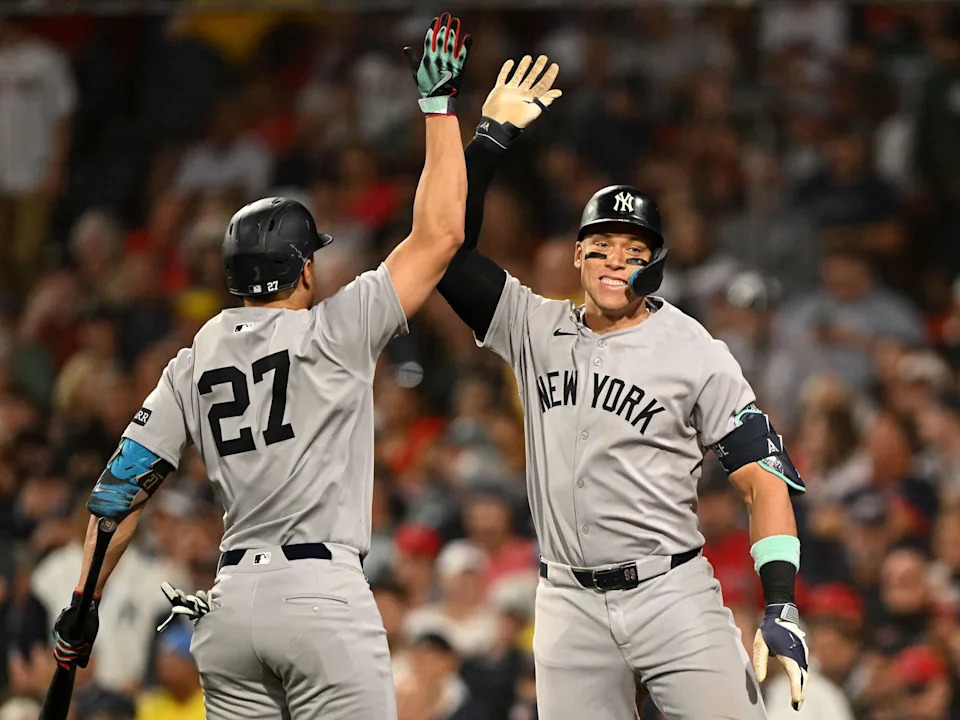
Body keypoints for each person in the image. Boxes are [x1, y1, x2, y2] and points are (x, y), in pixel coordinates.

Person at [47, 14, 471, 720]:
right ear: (305, 268)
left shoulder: (193, 357)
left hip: (231, 607)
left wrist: (81, 606)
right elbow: (442, 232)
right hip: (321, 597)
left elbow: (116, 494)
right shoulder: (337, 327)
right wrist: (438, 107)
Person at [434, 55, 809, 718]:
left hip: (670, 592)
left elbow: (762, 478)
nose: (615, 261)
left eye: (634, 251)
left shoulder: (693, 348)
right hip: (567, 603)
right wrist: (490, 139)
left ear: (656, 265)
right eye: (601, 246)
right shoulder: (531, 324)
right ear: (577, 255)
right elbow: (443, 247)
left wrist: (779, 599)